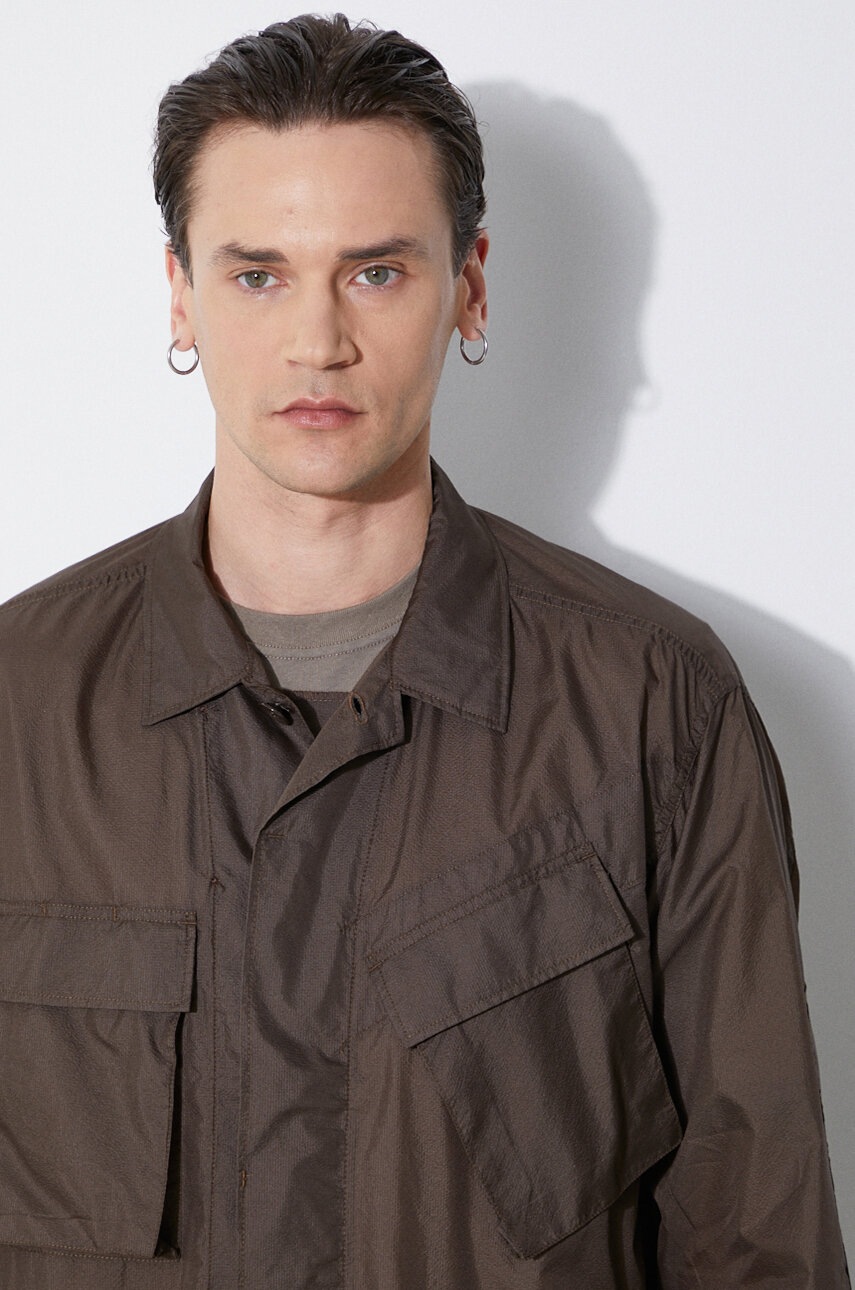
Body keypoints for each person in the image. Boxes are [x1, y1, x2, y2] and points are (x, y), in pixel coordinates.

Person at [0, 13, 848, 1289]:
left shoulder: (656, 711)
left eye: (377, 272)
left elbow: (757, 1240)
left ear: (470, 285)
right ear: (180, 292)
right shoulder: (17, 708)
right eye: (258, 274)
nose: (318, 341)